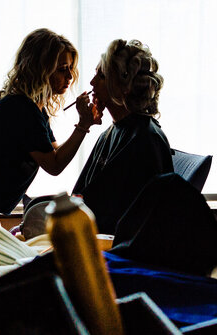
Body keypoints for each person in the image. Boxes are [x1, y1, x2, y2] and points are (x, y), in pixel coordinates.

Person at [0, 28, 102, 234]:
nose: (70, 76)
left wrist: (83, 126)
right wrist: (83, 126)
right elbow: (54, 165)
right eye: (62, 69)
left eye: (70, 68)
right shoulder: (22, 109)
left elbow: (53, 152)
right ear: (41, 68)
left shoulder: (34, 108)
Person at [71, 39, 173, 235]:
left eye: (101, 76)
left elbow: (138, 220)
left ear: (122, 86)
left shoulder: (147, 141)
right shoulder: (108, 134)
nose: (92, 83)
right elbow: (82, 196)